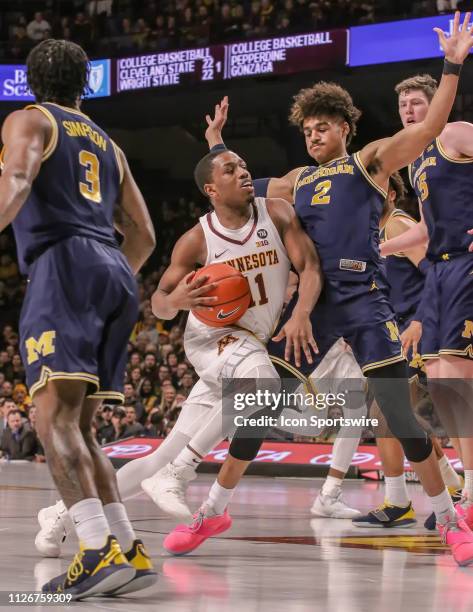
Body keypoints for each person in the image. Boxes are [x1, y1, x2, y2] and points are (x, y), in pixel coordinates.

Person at [166, 12, 473, 563]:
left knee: (400, 418)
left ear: (344, 128)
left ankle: (450, 522)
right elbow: (231, 186)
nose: (313, 135)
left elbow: (426, 131)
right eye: (307, 130)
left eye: (323, 126)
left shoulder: (369, 162)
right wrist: (214, 144)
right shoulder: (294, 182)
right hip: (310, 306)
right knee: (257, 407)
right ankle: (212, 511)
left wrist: (452, 64)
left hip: (366, 299)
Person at [33, 148, 323, 550]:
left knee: (158, 455)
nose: (244, 172)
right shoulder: (197, 239)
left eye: (243, 165)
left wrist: (301, 313)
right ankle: (181, 472)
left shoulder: (276, 213)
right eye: (230, 169)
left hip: (248, 343)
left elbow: (309, 266)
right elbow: (159, 305)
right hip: (211, 336)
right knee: (263, 384)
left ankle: (61, 514)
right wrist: (179, 300)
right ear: (211, 189)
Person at [0, 39, 156, 597]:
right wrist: (110, 273)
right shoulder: (110, 146)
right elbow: (145, 234)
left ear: (30, 82)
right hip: (115, 270)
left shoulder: (29, 119)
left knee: (51, 420)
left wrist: (75, 271)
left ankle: (94, 549)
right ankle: (126, 546)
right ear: (85, 84)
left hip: (64, 263)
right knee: (79, 425)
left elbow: (17, 179)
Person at [381, 69, 473, 528]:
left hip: (464, 267)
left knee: (458, 382)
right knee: (441, 388)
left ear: (436, 105)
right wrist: (379, 246)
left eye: (416, 104)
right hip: (439, 268)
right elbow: (425, 229)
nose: (409, 112)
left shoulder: (456, 133)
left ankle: (472, 495)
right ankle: (466, 489)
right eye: (403, 107)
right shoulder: (416, 162)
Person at [353, 173, 463, 528]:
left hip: (421, 326)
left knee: (397, 412)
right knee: (399, 415)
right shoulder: (372, 232)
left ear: (391, 193)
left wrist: (420, 320)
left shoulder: (397, 224)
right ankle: (446, 488)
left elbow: (433, 270)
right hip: (396, 328)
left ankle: (406, 500)